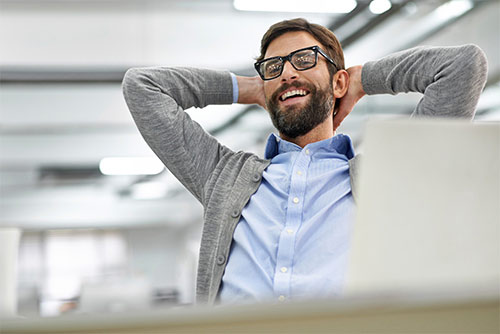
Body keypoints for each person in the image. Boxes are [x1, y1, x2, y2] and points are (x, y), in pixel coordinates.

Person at [122, 18, 487, 305]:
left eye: (304, 60)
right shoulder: (222, 177)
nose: (286, 72)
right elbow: (143, 87)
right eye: (273, 67)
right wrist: (249, 87)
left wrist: (362, 79)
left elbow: (462, 67)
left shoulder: (389, 175)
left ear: (338, 82)